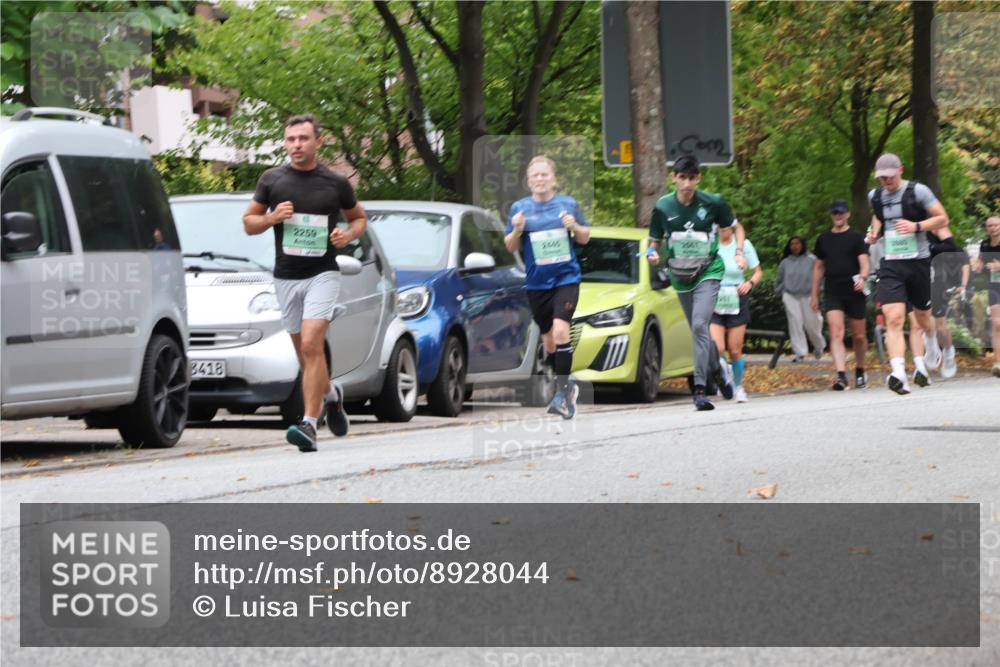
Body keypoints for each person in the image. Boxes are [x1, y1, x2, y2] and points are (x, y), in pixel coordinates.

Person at [242, 114, 368, 452]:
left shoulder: (335, 183)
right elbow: (249, 223)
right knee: (305, 355)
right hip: (286, 276)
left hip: (322, 273)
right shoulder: (272, 180)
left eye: (303, 138)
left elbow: (359, 219)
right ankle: (332, 395)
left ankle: (309, 424)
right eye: (291, 139)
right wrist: (272, 217)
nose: (296, 145)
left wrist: (347, 235)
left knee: (312, 344)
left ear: (318, 142)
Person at [647, 154, 746, 411]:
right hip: (680, 276)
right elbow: (654, 241)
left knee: (701, 324)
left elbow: (737, 227)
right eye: (682, 178)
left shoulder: (713, 202)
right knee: (698, 331)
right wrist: (652, 254)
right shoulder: (663, 206)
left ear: (699, 179)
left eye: (692, 178)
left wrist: (739, 252)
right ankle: (718, 369)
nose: (687, 184)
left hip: (708, 271)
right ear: (674, 178)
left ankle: (700, 390)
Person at [504, 155, 590, 418]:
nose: (540, 179)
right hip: (537, 284)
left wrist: (574, 226)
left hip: (566, 279)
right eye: (535, 175)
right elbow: (511, 246)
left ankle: (562, 395)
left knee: (561, 331)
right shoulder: (520, 208)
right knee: (549, 341)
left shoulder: (567, 204)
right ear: (529, 181)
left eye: (544, 174)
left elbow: (585, 238)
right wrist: (517, 230)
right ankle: (568, 385)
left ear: (554, 179)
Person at [866, 153, 950, 394]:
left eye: (890, 176)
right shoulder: (875, 196)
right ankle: (898, 373)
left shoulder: (918, 191)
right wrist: (875, 232)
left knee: (923, 317)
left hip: (918, 261)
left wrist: (917, 226)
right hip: (891, 263)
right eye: (882, 177)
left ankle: (931, 342)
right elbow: (878, 215)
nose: (886, 181)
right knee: (893, 317)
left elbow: (943, 218)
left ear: (901, 170)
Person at [811, 199, 870, 390]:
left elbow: (864, 262)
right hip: (833, 290)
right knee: (836, 333)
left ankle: (860, 370)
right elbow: (818, 268)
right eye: (835, 213)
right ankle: (841, 376)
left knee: (859, 336)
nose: (838, 216)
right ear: (832, 215)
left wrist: (863, 277)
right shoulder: (823, 239)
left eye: (841, 213)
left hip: (854, 290)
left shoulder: (856, 237)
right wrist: (814, 295)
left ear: (847, 214)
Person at [710, 223, 762, 402]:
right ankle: (725, 377)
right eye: (719, 227)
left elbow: (758, 272)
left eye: (726, 227)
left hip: (737, 297)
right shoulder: (711, 244)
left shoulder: (743, 245)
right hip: (715, 298)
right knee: (718, 349)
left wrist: (749, 283)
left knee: (734, 349)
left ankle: (738, 386)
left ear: (732, 228)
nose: (723, 230)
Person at [918, 229, 970, 379]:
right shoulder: (912, 234)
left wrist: (963, 286)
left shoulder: (949, 246)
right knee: (922, 321)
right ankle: (931, 348)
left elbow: (965, 267)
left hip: (939, 282)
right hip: (919, 280)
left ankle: (948, 352)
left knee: (940, 325)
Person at [776, 236, 825, 363]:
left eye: (797, 243)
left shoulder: (812, 259)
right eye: (792, 244)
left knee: (812, 324)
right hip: (790, 296)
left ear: (803, 245)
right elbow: (779, 280)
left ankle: (819, 346)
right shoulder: (785, 262)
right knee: (795, 323)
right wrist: (781, 291)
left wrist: (818, 292)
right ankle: (800, 353)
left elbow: (821, 276)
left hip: (809, 295)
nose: (795, 246)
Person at [972, 216, 1000, 377]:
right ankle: (998, 362)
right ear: (987, 228)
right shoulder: (985, 244)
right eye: (990, 226)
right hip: (995, 286)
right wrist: (977, 266)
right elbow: (981, 262)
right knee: (997, 324)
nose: (993, 228)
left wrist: (998, 266)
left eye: (996, 225)